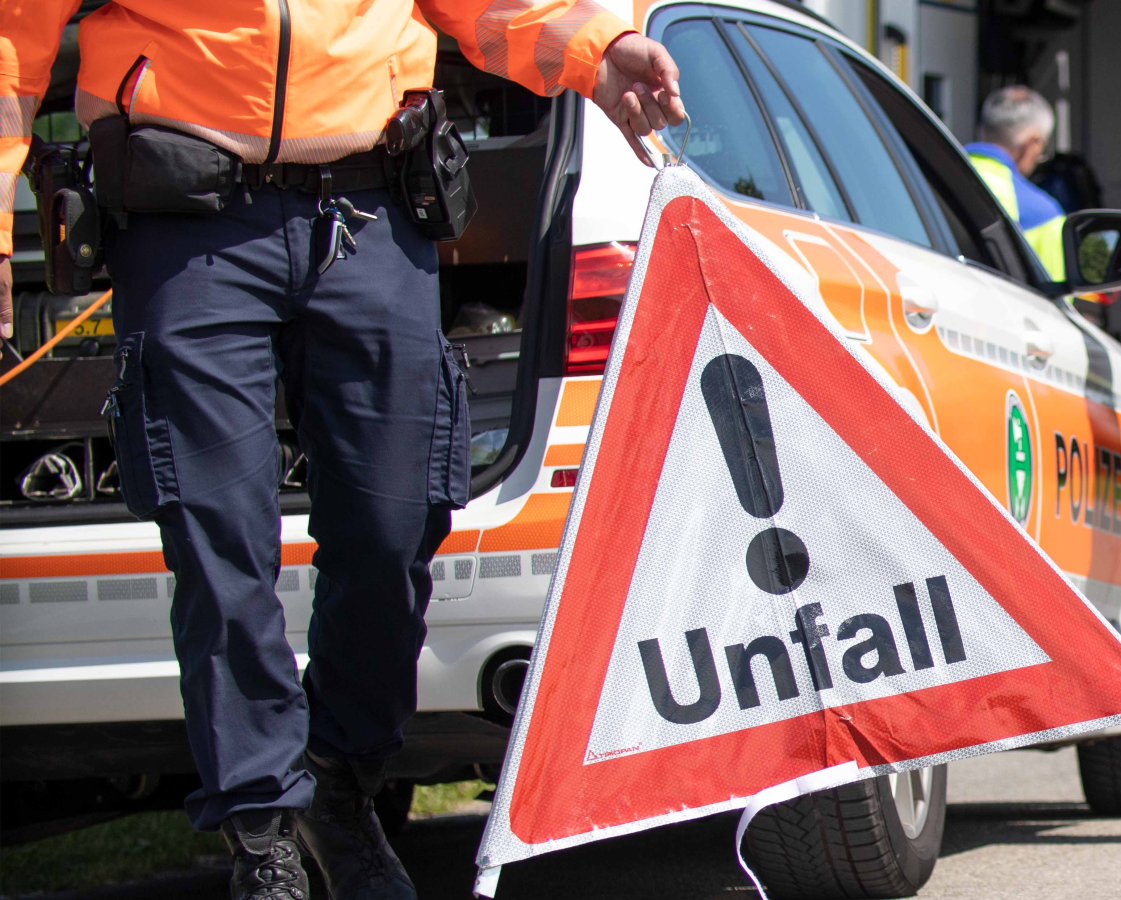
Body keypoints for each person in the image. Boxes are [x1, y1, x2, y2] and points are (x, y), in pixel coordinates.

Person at [0, 3, 684, 898]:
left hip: (371, 204)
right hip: (184, 216)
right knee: (219, 542)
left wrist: (599, 52)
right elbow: (13, 41)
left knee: (395, 518)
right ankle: (260, 834)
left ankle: (337, 777)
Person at [966, 86, 1067, 280]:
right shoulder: (1044, 213)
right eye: (1042, 150)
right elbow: (1055, 300)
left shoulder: (929, 173)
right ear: (1033, 143)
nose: (1039, 158)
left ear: (982, 129)